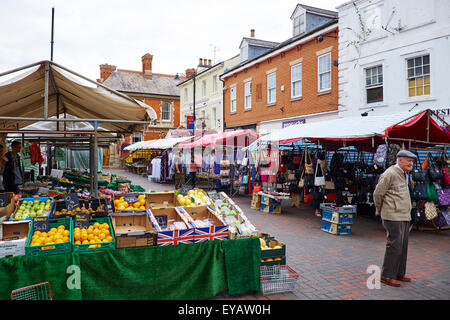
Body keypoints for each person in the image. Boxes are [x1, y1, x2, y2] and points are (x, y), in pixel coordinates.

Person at [373, 149, 416, 287]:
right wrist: (380, 210)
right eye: (409, 160)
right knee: (394, 246)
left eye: (412, 161)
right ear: (400, 160)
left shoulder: (404, 174)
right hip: (393, 215)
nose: (411, 163)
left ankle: (398, 273)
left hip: (404, 215)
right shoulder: (390, 173)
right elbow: (378, 194)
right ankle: (386, 275)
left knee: (402, 246)